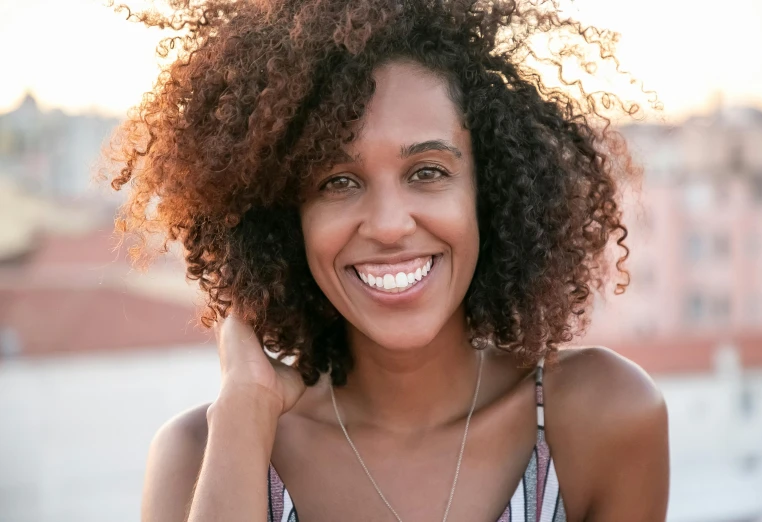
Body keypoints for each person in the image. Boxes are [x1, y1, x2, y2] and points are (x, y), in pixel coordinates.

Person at [106, 0, 669, 520]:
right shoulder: (202, 457)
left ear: (488, 194)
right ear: (283, 219)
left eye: (427, 172)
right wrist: (245, 412)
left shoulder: (600, 417)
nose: (389, 224)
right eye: (338, 181)